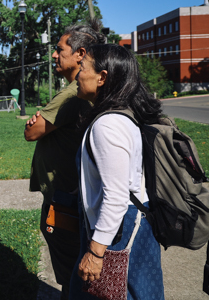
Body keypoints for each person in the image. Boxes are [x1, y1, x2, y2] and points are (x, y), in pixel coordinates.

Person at [70, 44, 164, 299]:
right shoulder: (118, 117)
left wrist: (96, 251)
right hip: (123, 226)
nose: (77, 76)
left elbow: (116, 196)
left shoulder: (108, 125)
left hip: (119, 231)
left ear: (102, 77)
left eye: (82, 68)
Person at [24, 19, 105, 299]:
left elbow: (32, 132)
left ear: (81, 53)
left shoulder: (71, 95)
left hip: (64, 199)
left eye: (59, 50)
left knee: (73, 275)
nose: (54, 55)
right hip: (73, 196)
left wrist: (35, 119)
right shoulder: (82, 91)